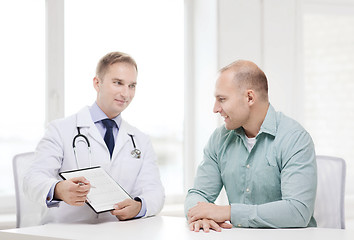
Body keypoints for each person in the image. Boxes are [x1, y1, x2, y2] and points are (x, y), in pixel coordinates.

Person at [24, 51, 165, 224]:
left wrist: (138, 206)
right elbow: (32, 179)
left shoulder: (140, 140)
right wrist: (58, 190)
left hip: (116, 233)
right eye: (118, 83)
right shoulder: (60, 130)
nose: (126, 93)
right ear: (97, 83)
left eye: (132, 85)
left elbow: (155, 192)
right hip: (65, 232)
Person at [185, 60, 317, 232]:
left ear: (249, 97)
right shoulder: (219, 139)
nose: (215, 108)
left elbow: (298, 211)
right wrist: (200, 216)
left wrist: (228, 212)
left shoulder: (295, 138)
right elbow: (198, 194)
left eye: (222, 99)